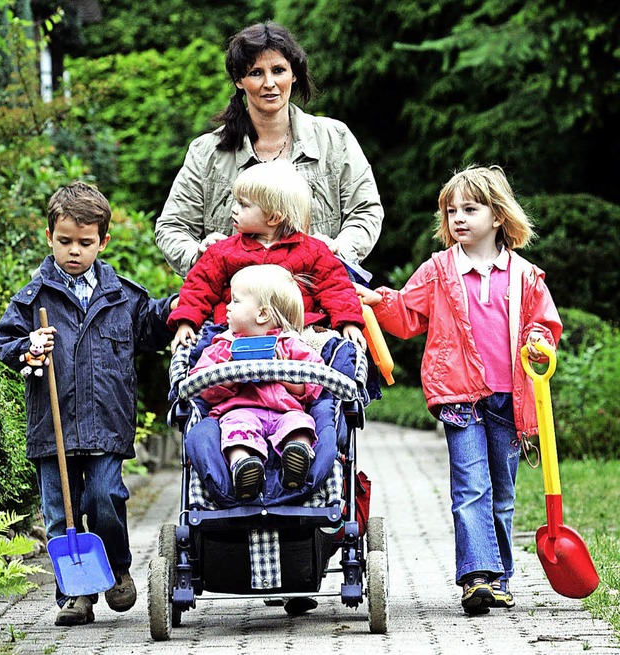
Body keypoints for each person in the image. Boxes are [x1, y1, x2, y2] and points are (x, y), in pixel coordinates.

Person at [356, 165, 563, 615]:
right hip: (458, 396)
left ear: (498, 216)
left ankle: (500, 576)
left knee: (503, 494)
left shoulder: (525, 276)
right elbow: (408, 315)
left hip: (509, 398)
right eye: (451, 211)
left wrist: (538, 340)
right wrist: (380, 301)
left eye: (470, 209)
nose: (459, 219)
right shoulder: (438, 271)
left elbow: (543, 325)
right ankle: (476, 579)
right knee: (471, 487)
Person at [0, 182, 178, 627]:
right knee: (61, 514)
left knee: (104, 495)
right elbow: (5, 342)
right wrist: (28, 346)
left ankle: (116, 568)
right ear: (49, 237)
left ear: (103, 241)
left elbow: (157, 324)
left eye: (85, 242)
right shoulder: (32, 298)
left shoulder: (123, 297)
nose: (74, 251)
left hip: (106, 426)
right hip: (51, 429)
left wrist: (188, 306)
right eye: (65, 241)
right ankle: (75, 594)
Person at [155, 20, 384, 279]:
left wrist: (340, 249)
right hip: (232, 305)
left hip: (319, 298)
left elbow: (366, 210)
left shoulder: (335, 139)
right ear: (239, 80)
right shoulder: (206, 153)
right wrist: (199, 255)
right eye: (255, 73)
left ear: (294, 74)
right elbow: (172, 227)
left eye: (278, 70)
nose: (269, 83)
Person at [167, 158, 366, 350]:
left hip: (299, 332)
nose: (234, 210)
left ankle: (320, 384)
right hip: (233, 332)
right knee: (198, 352)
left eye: (243, 204)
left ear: (273, 217)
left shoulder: (313, 251)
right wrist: (186, 322)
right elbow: (199, 286)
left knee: (339, 352)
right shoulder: (223, 250)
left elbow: (336, 288)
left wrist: (349, 322)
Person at [189, 264, 325, 500]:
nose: (227, 307)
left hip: (285, 410)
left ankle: (297, 456)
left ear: (262, 314)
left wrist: (284, 375)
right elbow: (200, 383)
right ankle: (244, 467)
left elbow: (315, 383)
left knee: (301, 423)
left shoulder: (289, 345)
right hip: (241, 409)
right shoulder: (223, 346)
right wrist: (228, 377)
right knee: (236, 430)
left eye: (235, 301)